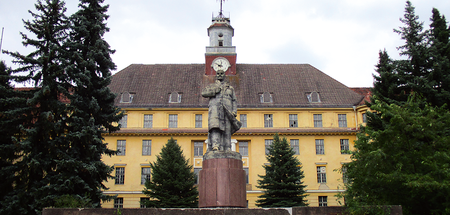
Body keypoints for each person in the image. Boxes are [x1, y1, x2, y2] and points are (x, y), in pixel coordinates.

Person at [202, 69, 241, 151]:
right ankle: (215, 146)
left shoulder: (230, 88)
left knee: (227, 129)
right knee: (215, 127)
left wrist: (234, 111)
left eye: (221, 73)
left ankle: (227, 148)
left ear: (224, 75)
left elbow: (234, 100)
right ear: (216, 75)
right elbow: (204, 93)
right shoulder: (212, 86)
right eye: (218, 73)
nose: (220, 75)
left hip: (227, 110)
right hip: (215, 109)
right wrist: (215, 90)